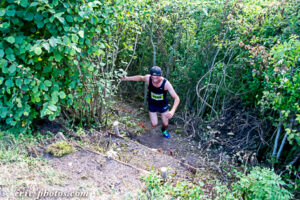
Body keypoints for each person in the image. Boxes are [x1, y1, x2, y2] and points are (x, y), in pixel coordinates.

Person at [121, 66, 180, 138]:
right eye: (153, 77)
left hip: (162, 105)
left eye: (157, 77)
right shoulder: (148, 78)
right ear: (151, 75)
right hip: (152, 104)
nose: (155, 79)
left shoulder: (166, 83)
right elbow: (140, 78)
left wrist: (172, 111)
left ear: (160, 75)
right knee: (154, 124)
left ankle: (163, 130)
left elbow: (177, 98)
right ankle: (147, 128)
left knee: (165, 124)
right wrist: (127, 78)